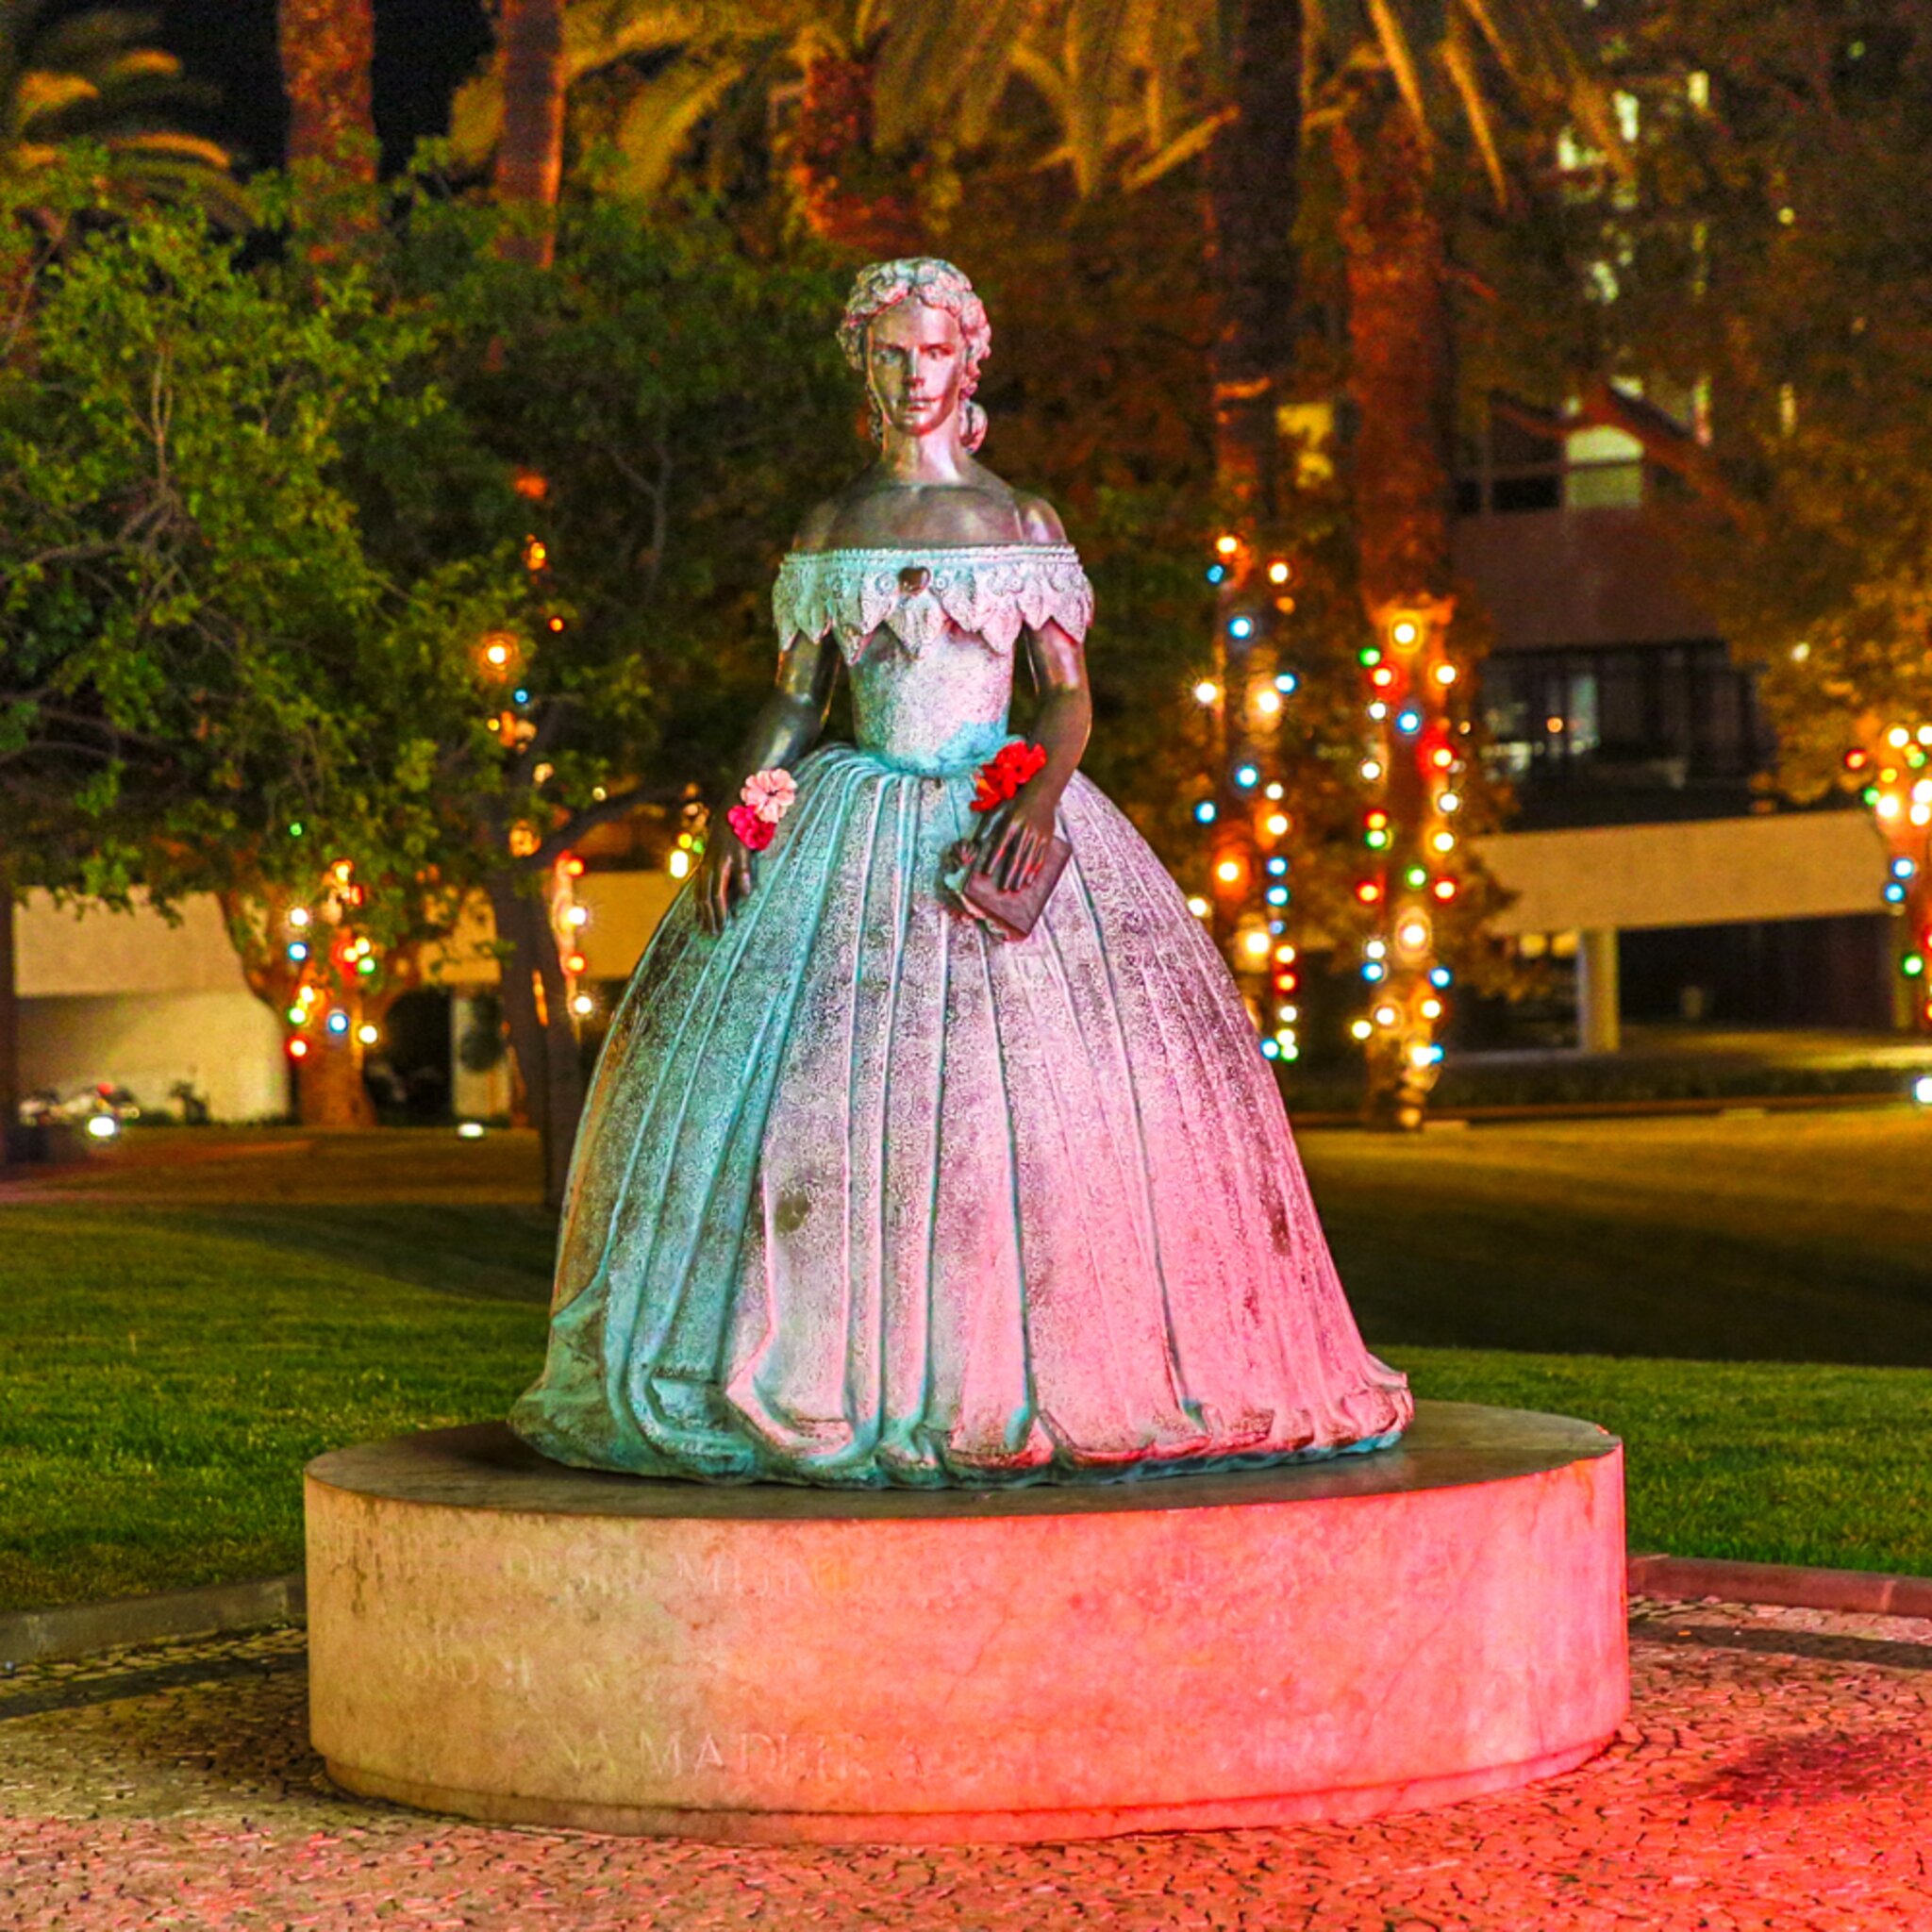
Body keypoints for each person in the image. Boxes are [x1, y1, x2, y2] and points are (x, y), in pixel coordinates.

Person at [509, 258, 1410, 1487]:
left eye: (933, 352)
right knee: (811, 1098)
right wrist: (746, 816)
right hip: (850, 824)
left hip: (998, 825)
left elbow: (1067, 697)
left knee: (1034, 1116)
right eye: (890, 354)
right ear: (861, 366)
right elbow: (791, 707)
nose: (912, 375)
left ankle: (1023, 1368)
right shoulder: (832, 532)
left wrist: (1039, 799)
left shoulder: (1022, 524)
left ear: (968, 362)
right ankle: (822, 1367)